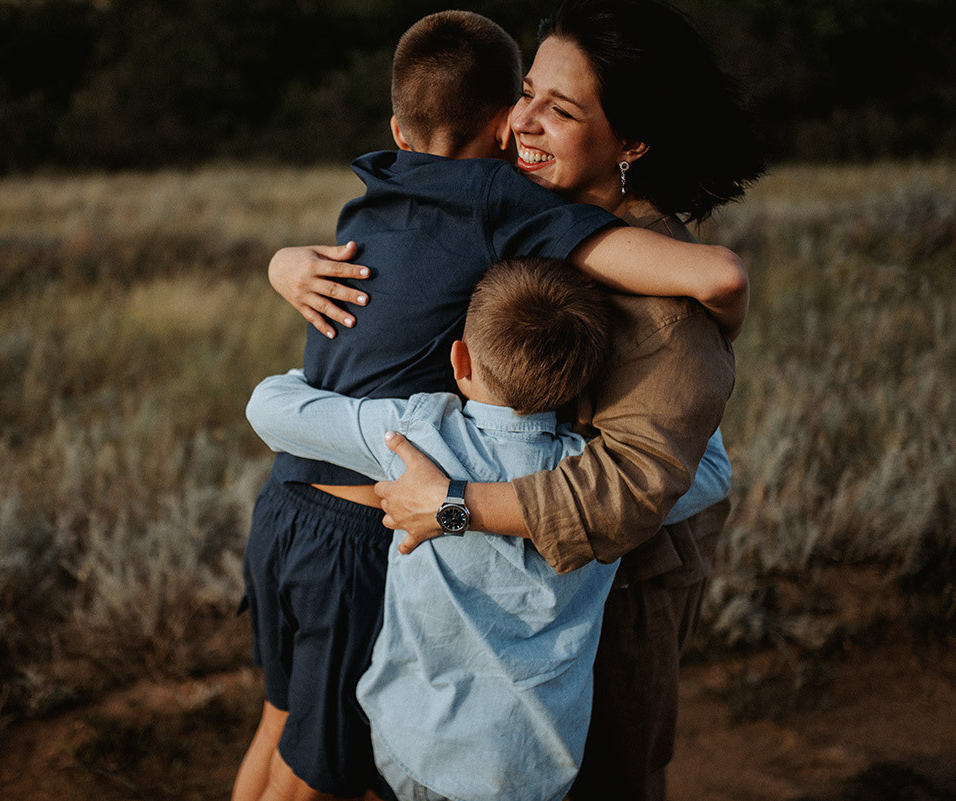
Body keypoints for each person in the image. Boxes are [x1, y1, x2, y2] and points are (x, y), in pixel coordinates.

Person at [235, 9, 749, 801]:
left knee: (598, 778)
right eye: (528, 92)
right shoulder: (514, 211)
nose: (522, 120)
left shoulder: (661, 305)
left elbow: (635, 488)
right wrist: (285, 264)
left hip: (611, 588)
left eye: (561, 109)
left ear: (632, 144)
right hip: (501, 577)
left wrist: (448, 504)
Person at [246, 257, 731, 801]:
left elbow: (268, 409)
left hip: (414, 742)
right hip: (533, 766)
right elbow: (711, 473)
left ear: (460, 359)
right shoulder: (600, 485)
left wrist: (308, 373)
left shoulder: (416, 437)